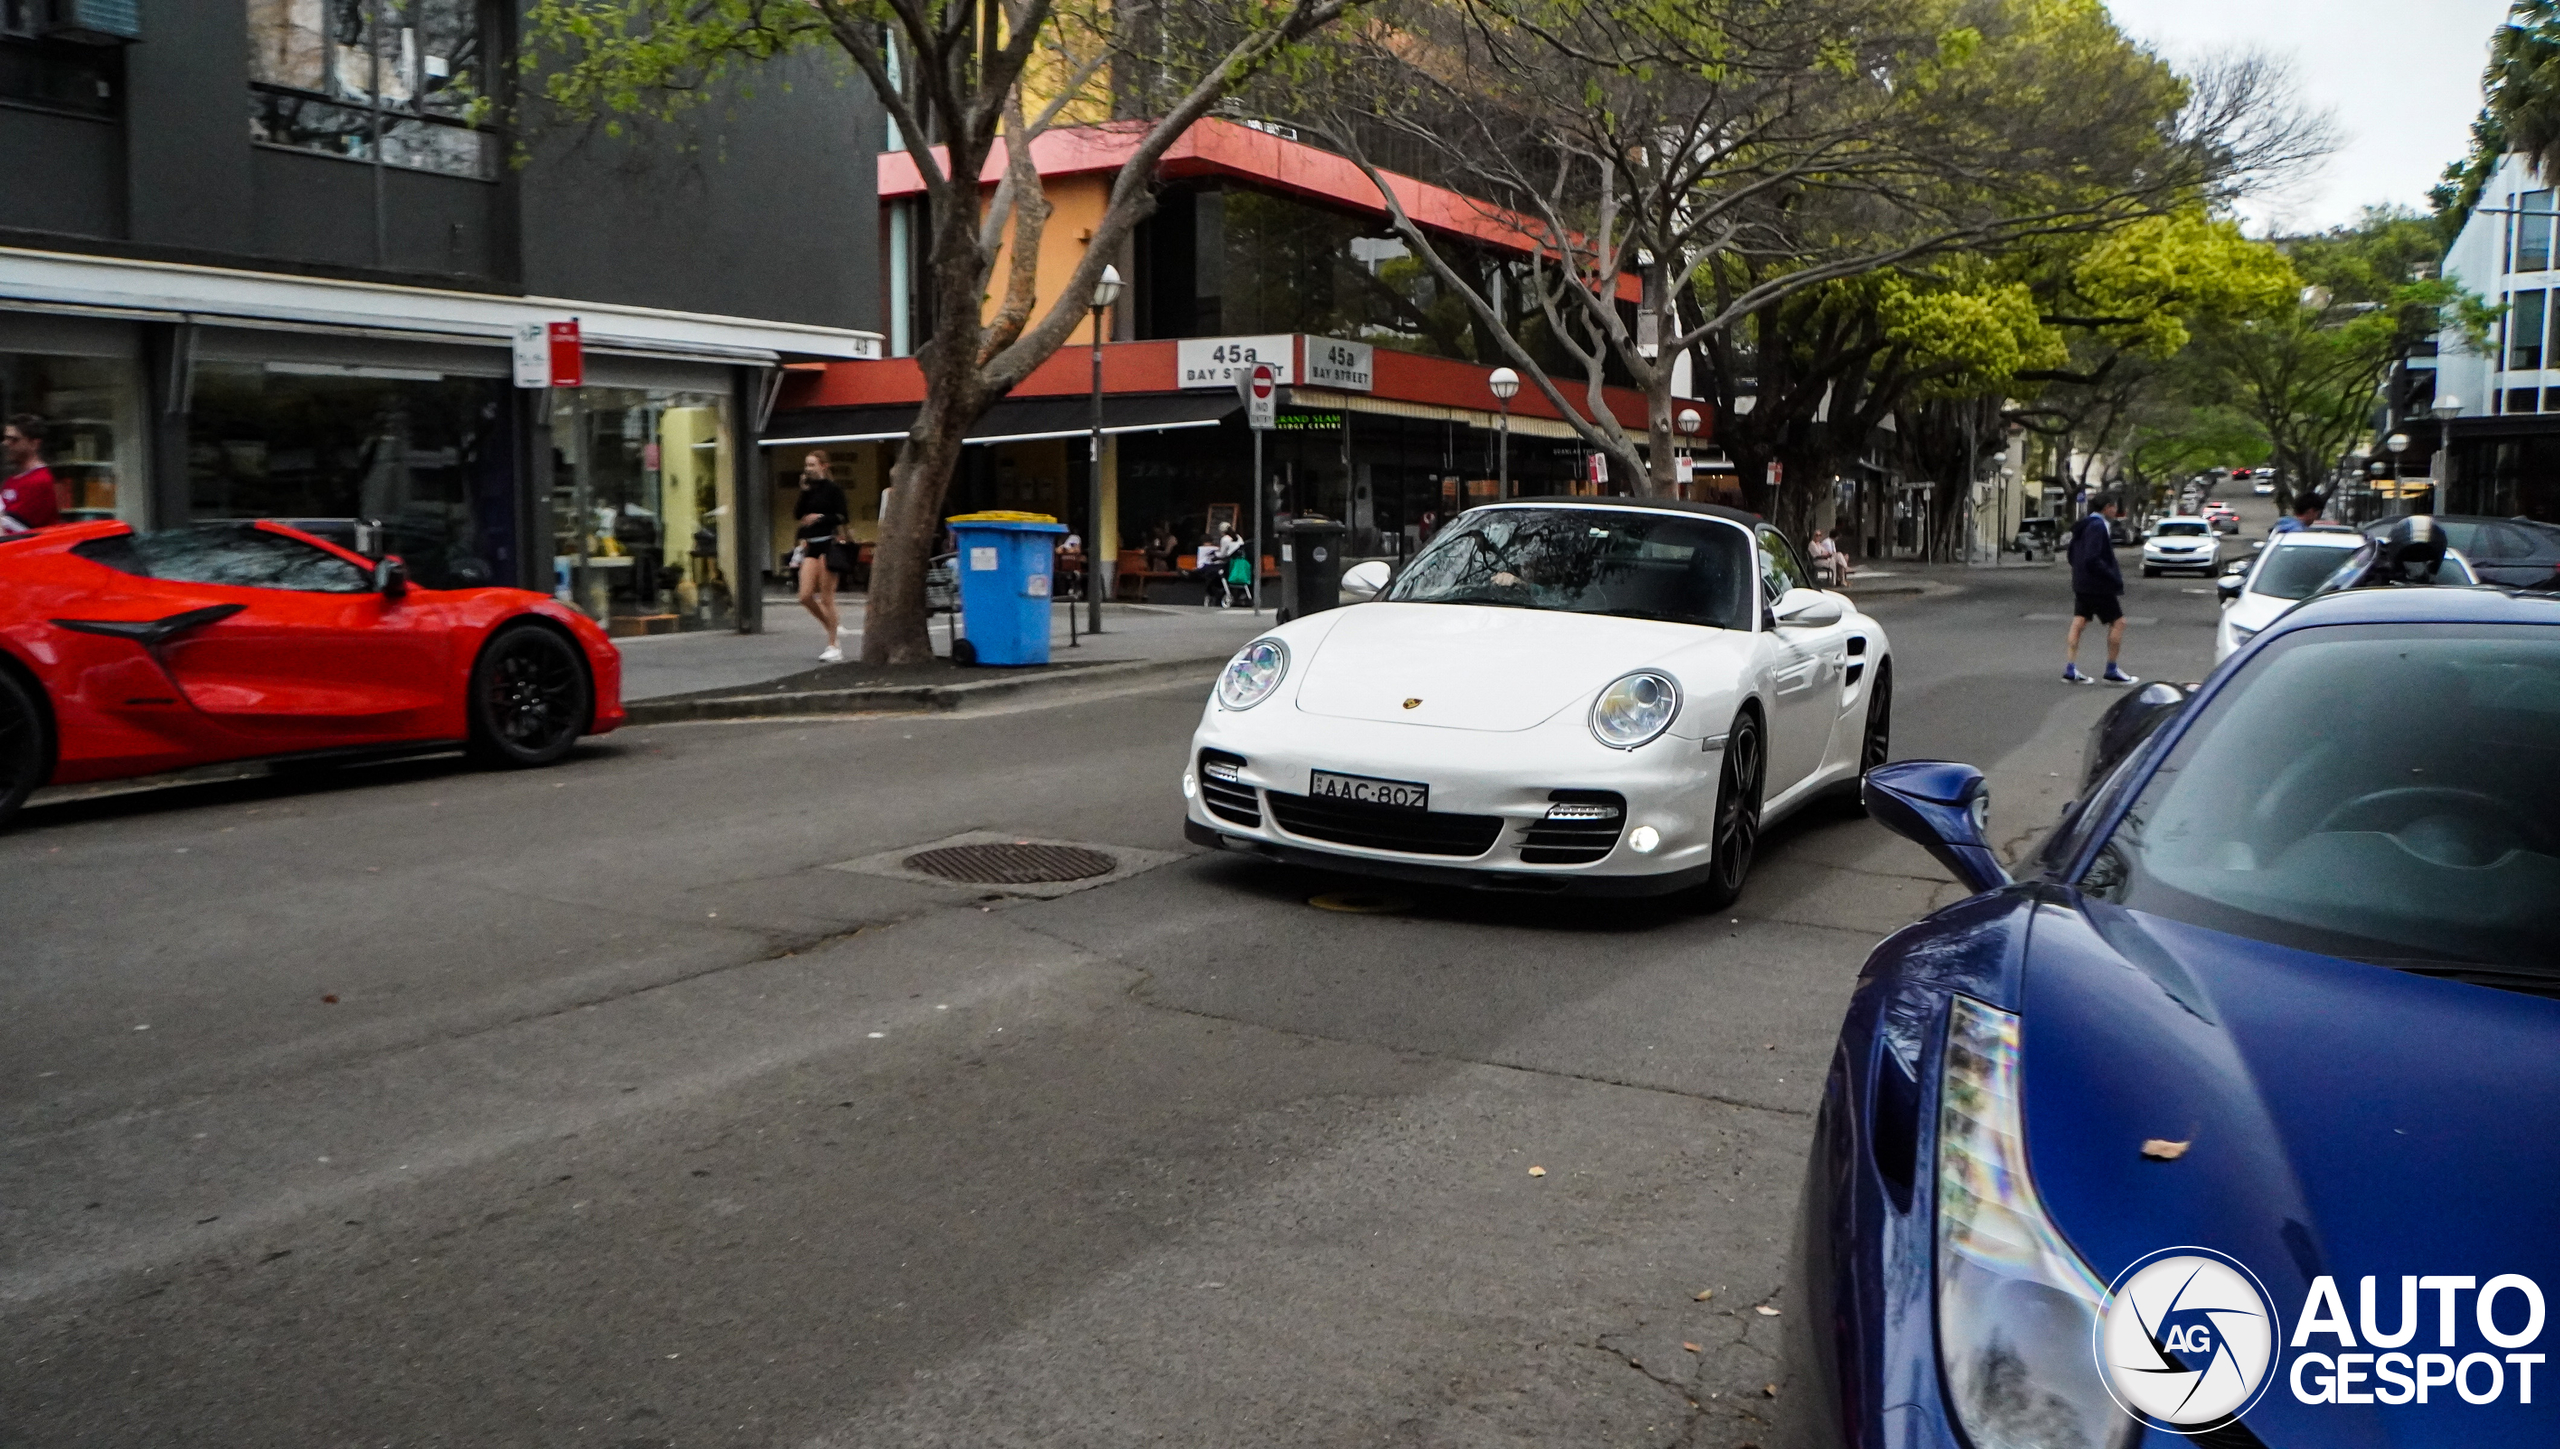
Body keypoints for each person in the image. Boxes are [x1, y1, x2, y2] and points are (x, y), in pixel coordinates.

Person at [2063, 498, 2137, 686]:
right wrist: (2112, 576)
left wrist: (2079, 572)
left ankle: (2071, 668)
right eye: (2114, 506)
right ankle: (2111, 669)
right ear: (2107, 507)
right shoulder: (2098, 526)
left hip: (2082, 582)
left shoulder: (2083, 525)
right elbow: (2093, 557)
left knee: (2079, 621)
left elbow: (2072, 553)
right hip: (2098, 585)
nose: (2116, 510)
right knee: (2119, 622)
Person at [790, 451, 848, 662]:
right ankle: (831, 626)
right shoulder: (808, 490)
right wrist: (803, 491)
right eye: (807, 465)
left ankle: (834, 645)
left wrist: (820, 517)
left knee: (826, 597)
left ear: (824, 466)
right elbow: (798, 514)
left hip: (828, 543)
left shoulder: (833, 489)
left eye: (813, 464)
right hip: (811, 545)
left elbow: (842, 515)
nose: (809, 468)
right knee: (804, 596)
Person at [1, 414, 60, 533]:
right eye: (5, 438)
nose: (6, 444)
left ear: (34, 444)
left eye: (14, 440)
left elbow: (12, 531)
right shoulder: (12, 480)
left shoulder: (40, 481)